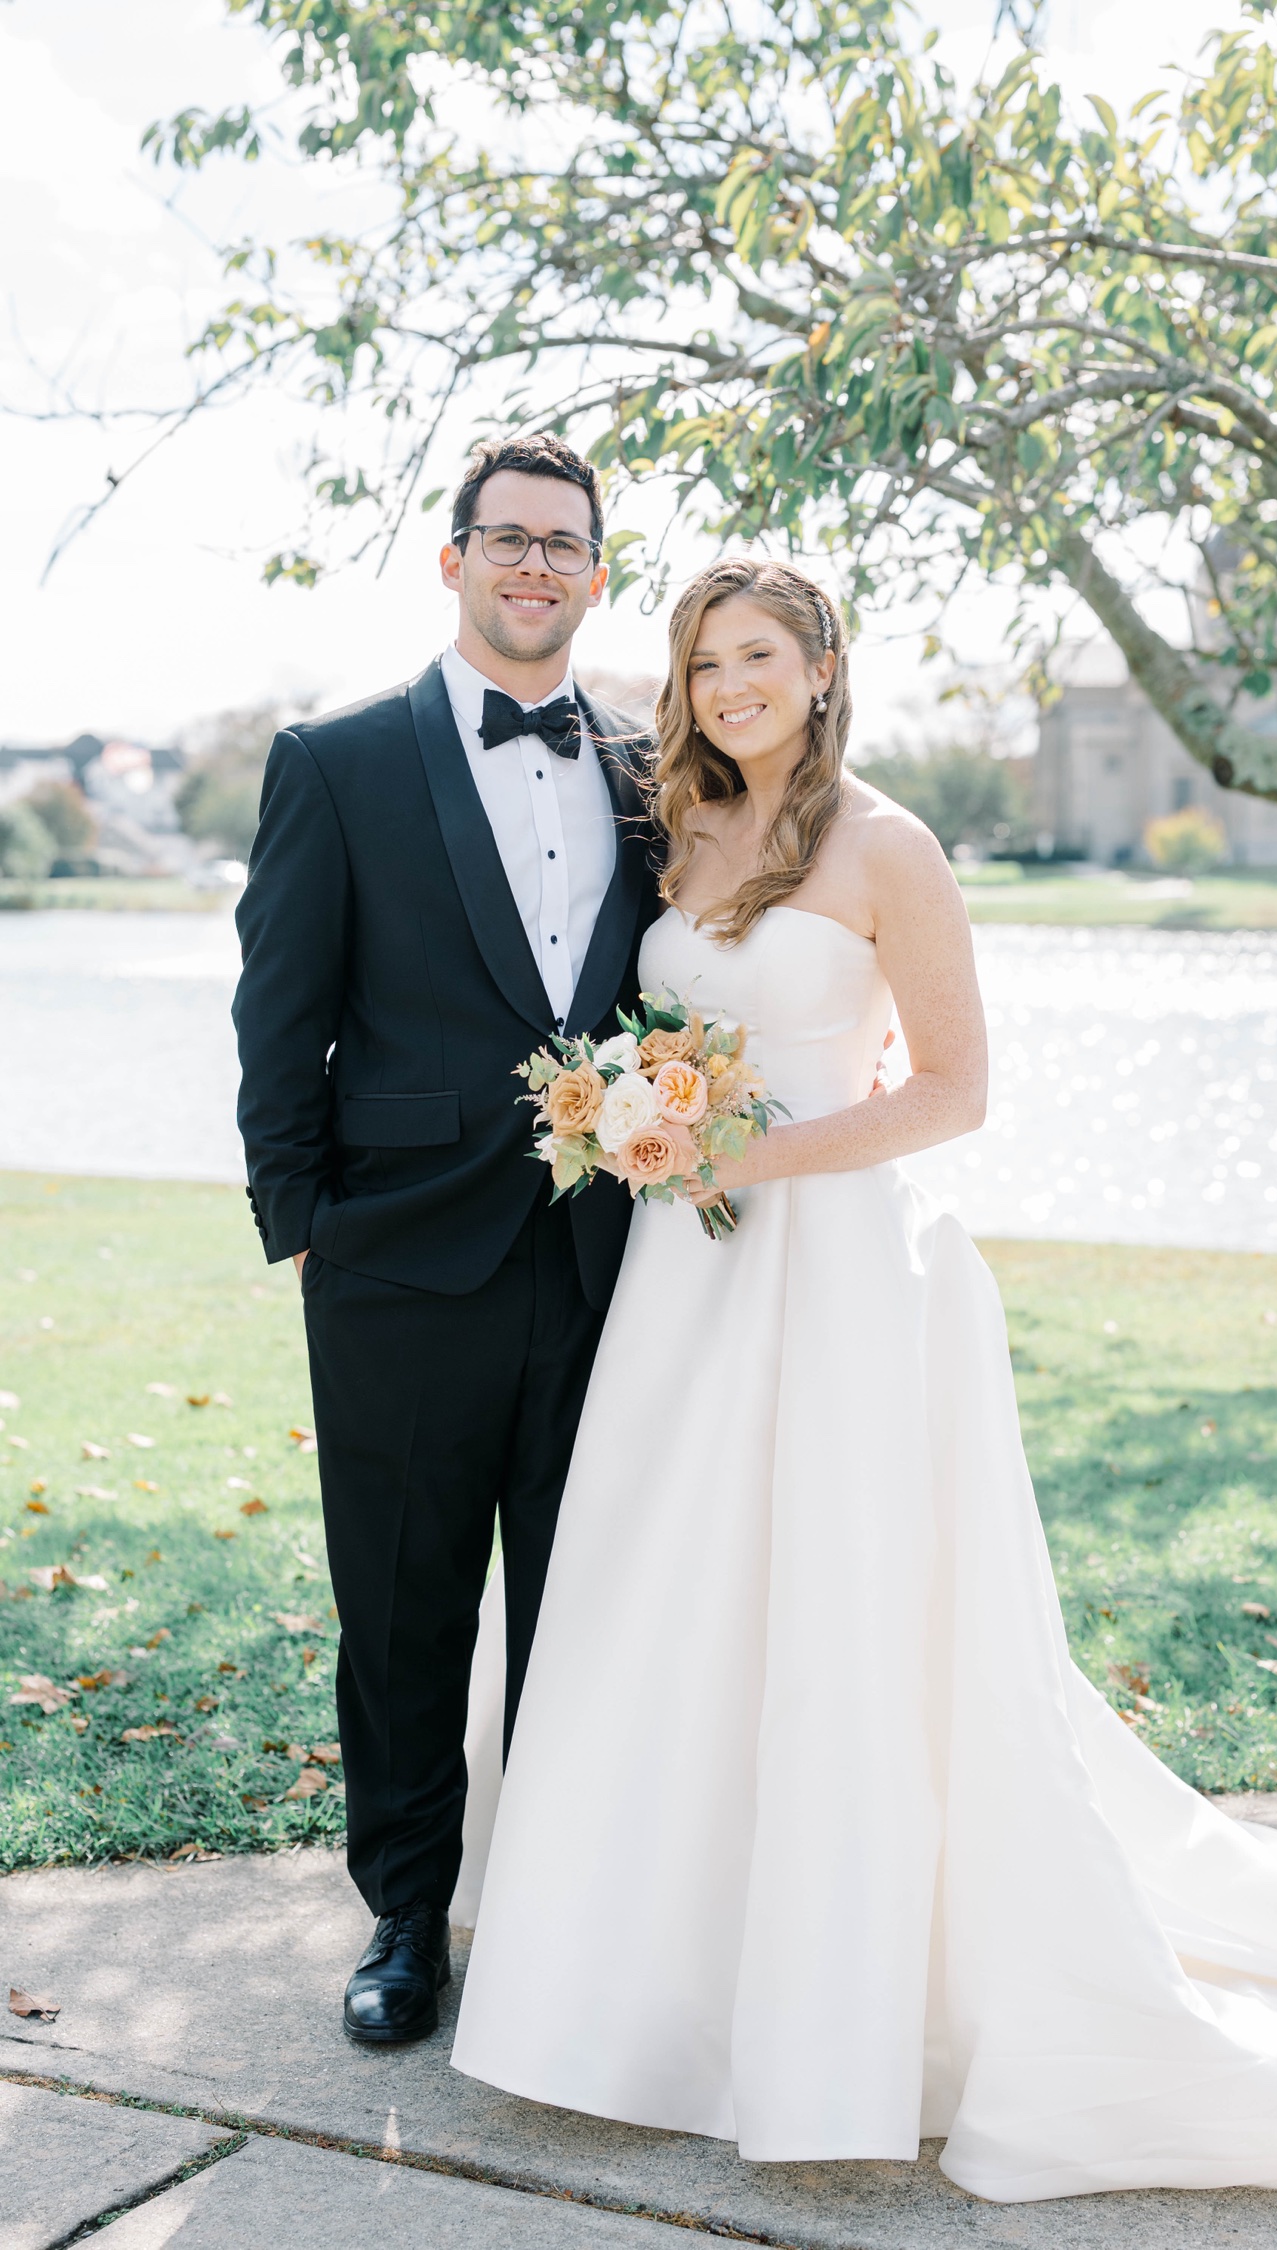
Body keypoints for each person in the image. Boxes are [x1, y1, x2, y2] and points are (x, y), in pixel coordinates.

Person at [450, 556, 1277, 2202]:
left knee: (842, 1627)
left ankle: (835, 2016)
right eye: (704, 659)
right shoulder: (679, 825)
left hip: (837, 1269)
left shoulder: (888, 845)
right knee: (667, 1603)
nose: (728, 685)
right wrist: (631, 1116)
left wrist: (744, 1142)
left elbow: (955, 1089)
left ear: (820, 666)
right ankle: (637, 1988)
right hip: (684, 1277)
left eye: (757, 657)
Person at [233, 432, 660, 2046]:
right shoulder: (332, 762)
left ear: (596, 573)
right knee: (404, 1609)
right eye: (509, 539)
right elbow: (277, 1012)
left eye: (565, 544)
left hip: (608, 1264)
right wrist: (304, 1231)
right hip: (398, 1265)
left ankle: (553, 1908)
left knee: (585, 1600)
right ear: (455, 558)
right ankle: (408, 1915)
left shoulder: (646, 766)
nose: (535, 565)